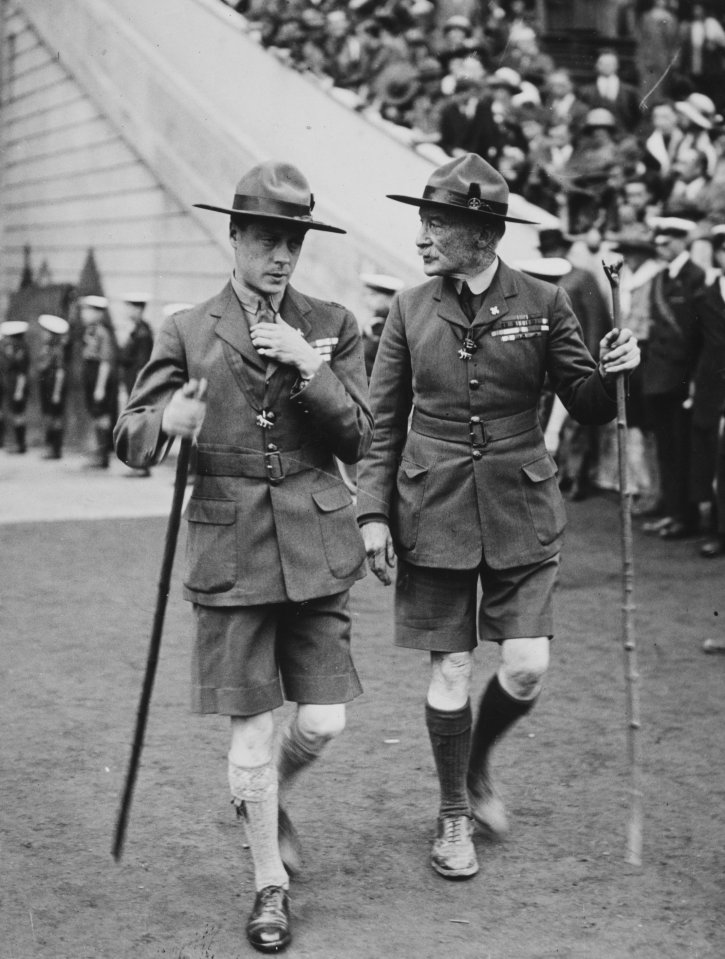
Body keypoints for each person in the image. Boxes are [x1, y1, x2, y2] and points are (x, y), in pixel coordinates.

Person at [356, 153, 640, 880]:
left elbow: (582, 401)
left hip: (519, 503)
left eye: (436, 223)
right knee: (449, 665)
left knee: (524, 667)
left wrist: (612, 372)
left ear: (480, 233)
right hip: (434, 506)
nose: (421, 236)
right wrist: (372, 515)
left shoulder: (543, 303)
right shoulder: (409, 308)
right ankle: (453, 813)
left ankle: (477, 762)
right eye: (422, 220)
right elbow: (383, 423)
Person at [114, 160, 373, 953]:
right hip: (229, 550)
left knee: (323, 721)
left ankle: (268, 797)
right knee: (250, 736)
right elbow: (129, 436)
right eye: (266, 238)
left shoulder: (333, 322)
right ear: (234, 236)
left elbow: (362, 435)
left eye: (292, 241)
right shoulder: (188, 328)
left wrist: (309, 362)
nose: (280, 256)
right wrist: (170, 421)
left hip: (314, 541)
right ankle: (269, 884)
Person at [641, 216, 705, 539]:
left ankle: (684, 516)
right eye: (659, 242)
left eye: (667, 242)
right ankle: (670, 509)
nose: (661, 247)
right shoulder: (663, 277)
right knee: (667, 447)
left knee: (682, 448)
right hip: (660, 375)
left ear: (682, 241)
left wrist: (694, 378)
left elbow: (699, 334)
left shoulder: (696, 278)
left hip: (682, 376)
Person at [79, 294, 119, 469]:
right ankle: (99, 453)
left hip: (99, 375)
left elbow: (105, 361)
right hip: (90, 373)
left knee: (102, 414)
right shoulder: (89, 331)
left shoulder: (103, 333)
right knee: (95, 414)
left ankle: (103, 456)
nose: (83, 314)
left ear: (98, 313)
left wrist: (100, 387)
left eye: (87, 310)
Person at [37, 314, 71, 460]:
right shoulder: (47, 348)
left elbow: (60, 372)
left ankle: (55, 449)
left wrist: (57, 392)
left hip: (54, 388)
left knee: (55, 418)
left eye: (46, 332)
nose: (43, 335)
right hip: (46, 387)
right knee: (49, 417)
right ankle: (50, 447)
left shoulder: (58, 350)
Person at [0, 320, 30, 454]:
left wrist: (19, 390)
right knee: (14, 413)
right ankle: (17, 444)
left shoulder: (21, 349)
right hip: (10, 383)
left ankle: (20, 444)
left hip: (17, 384)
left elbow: (22, 372)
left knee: (18, 413)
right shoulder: (12, 348)